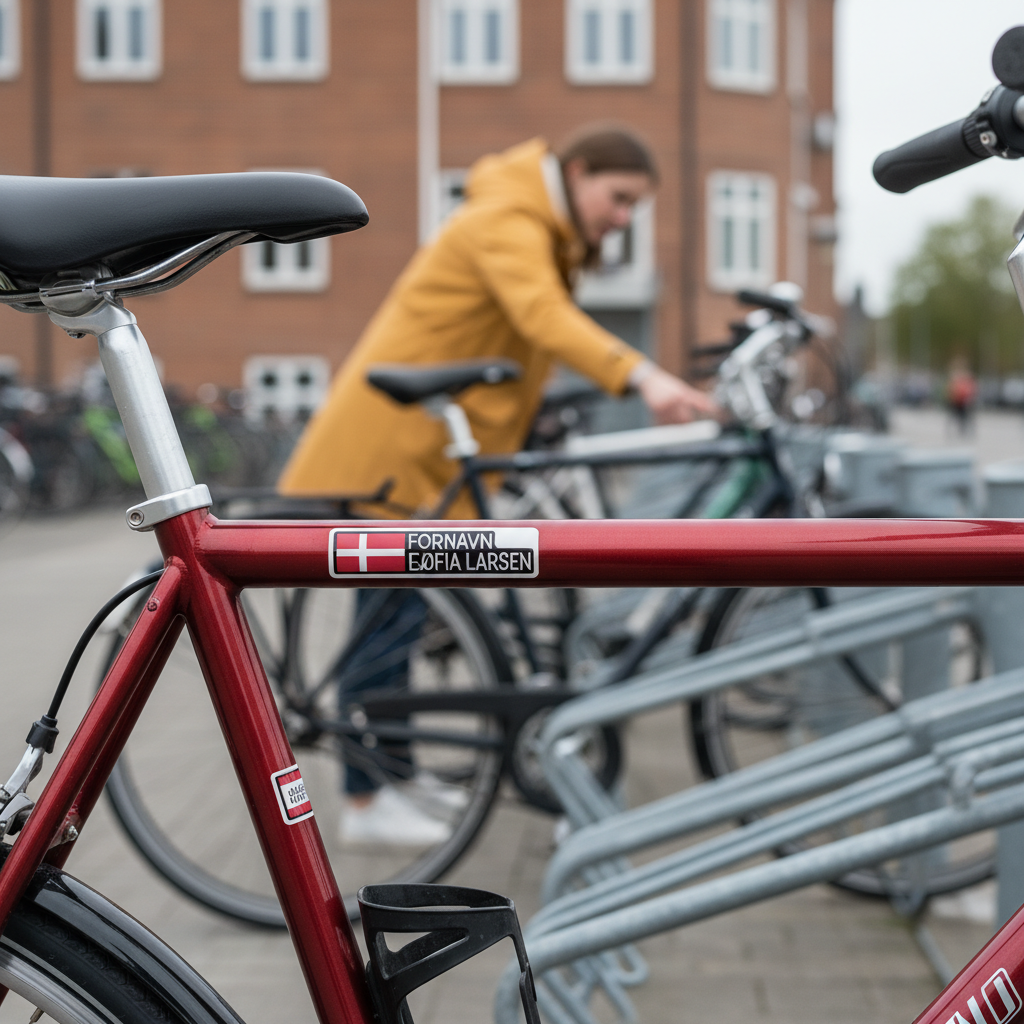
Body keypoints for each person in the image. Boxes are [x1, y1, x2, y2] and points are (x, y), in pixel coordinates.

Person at [278, 127, 718, 844]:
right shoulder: (507, 218)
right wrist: (643, 377)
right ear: (577, 174)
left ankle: (397, 778)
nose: (624, 217)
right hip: (395, 441)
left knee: (406, 615)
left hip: (426, 446)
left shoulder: (535, 222)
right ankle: (365, 800)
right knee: (384, 621)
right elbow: (541, 316)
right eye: (620, 198)